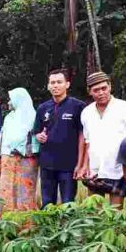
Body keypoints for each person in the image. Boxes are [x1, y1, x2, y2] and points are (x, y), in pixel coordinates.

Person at [80, 71, 126, 207]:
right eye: (96, 90)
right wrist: (84, 166)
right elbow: (87, 141)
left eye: (104, 88)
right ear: (90, 92)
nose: (101, 93)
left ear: (110, 87)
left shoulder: (125, 108)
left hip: (118, 168)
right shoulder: (86, 112)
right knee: (94, 210)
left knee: (115, 211)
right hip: (95, 169)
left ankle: (115, 229)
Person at [34, 69, 86, 208]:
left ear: (67, 84)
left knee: (68, 204)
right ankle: (47, 229)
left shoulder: (78, 106)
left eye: (59, 82)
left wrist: (80, 164)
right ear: (48, 86)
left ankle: (67, 229)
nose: (55, 86)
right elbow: (36, 131)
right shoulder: (42, 108)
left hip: (68, 165)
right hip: (47, 164)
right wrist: (38, 136)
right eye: (52, 82)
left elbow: (83, 135)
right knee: (47, 203)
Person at [0, 88, 40, 212]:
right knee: (6, 189)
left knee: (24, 191)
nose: (9, 102)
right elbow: (2, 138)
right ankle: (5, 220)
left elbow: (33, 140)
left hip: (26, 160)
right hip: (7, 160)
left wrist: (18, 149)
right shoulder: (9, 117)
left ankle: (25, 225)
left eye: (11, 99)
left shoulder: (32, 117)